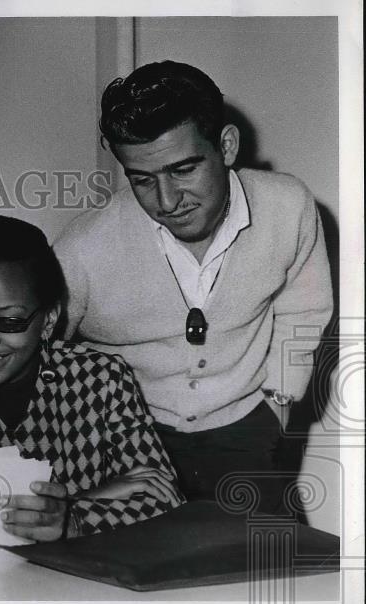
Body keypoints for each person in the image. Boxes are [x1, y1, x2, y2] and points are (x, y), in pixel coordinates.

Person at [54, 61, 332, 514]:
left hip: (246, 435)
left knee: (277, 572)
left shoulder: (289, 206)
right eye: (142, 179)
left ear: (226, 146)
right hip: (128, 452)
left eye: (183, 170)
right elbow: (35, 358)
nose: (166, 201)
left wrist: (279, 400)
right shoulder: (81, 248)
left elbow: (304, 309)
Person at [0, 216, 184, 541]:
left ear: (48, 320)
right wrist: (76, 505)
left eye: (9, 321)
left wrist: (73, 521)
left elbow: (163, 495)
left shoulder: (102, 379)